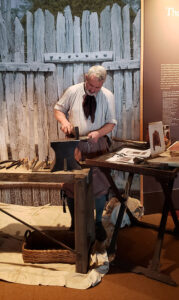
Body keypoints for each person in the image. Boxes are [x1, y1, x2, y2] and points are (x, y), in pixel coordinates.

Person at [54, 65, 117, 240]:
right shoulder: (73, 91)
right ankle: (75, 223)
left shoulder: (108, 96)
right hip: (74, 145)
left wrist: (98, 133)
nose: (93, 90)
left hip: (98, 145)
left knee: (100, 186)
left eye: (97, 87)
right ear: (86, 78)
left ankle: (97, 223)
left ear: (102, 83)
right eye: (90, 86)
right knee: (71, 185)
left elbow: (111, 123)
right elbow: (58, 109)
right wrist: (64, 122)